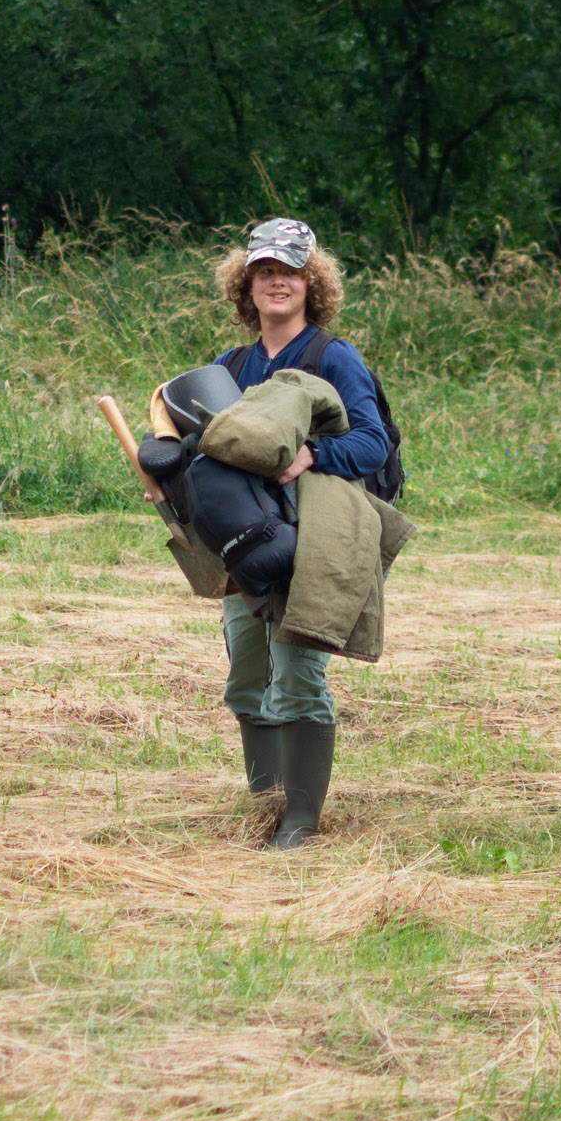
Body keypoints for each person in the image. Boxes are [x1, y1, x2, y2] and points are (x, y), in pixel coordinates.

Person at [207, 216, 389, 846]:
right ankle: (265, 805)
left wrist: (312, 454)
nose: (276, 281)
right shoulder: (230, 365)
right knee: (247, 677)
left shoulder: (332, 356)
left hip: (314, 539)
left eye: (289, 271)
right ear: (246, 285)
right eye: (264, 271)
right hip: (243, 541)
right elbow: (199, 442)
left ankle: (300, 822)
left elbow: (372, 442)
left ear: (312, 283)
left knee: (298, 674)